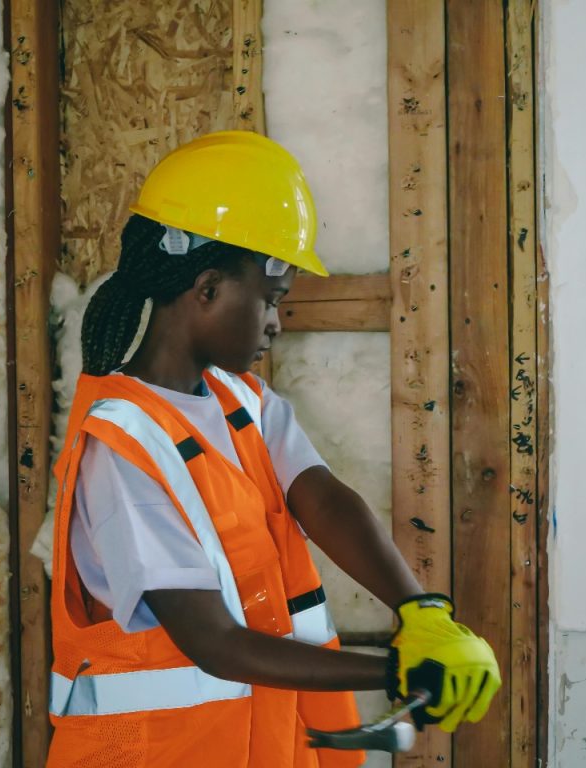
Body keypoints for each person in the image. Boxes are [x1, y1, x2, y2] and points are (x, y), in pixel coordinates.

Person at [46, 131, 500, 768]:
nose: (276, 324)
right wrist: (397, 672)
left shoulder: (244, 403)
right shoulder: (122, 447)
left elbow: (324, 500)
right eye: (270, 301)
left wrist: (420, 610)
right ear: (207, 289)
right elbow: (213, 642)